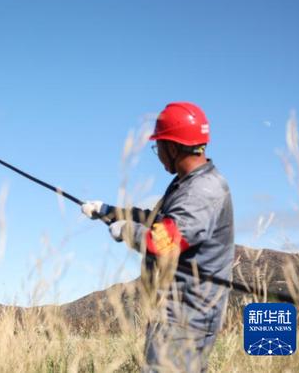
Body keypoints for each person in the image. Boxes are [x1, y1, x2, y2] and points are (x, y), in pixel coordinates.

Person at [81, 102, 234, 373]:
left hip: (187, 318)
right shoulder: (186, 183)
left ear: (173, 147)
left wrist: (124, 231)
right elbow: (157, 221)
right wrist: (110, 212)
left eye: (159, 146)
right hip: (176, 312)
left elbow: (162, 241)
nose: (159, 153)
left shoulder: (202, 192)